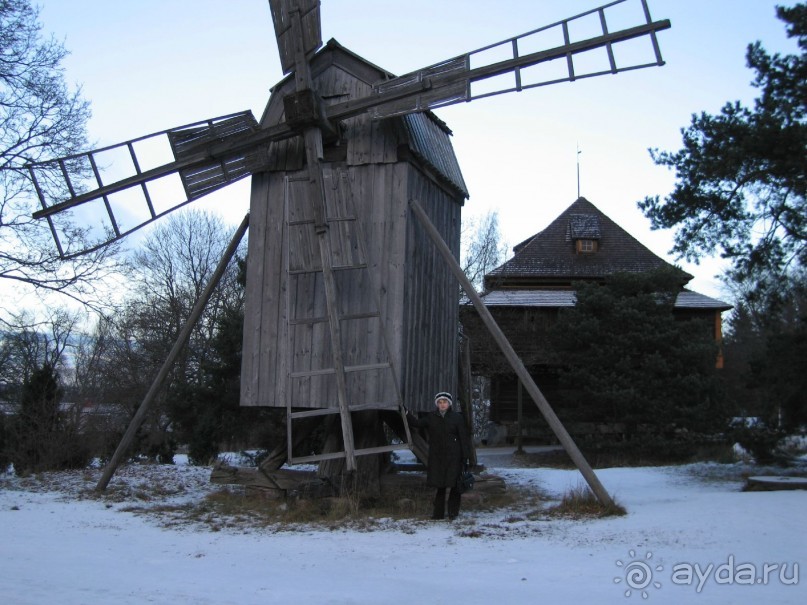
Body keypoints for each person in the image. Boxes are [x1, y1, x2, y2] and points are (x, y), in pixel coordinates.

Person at [407, 392, 471, 520]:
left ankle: (453, 513)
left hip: (454, 456)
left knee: (455, 485)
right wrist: (406, 413)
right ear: (437, 404)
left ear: (449, 404)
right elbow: (417, 423)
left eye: (445, 402)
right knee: (440, 486)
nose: (442, 404)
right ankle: (438, 514)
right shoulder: (432, 417)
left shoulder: (457, 418)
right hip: (438, 457)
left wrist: (465, 457)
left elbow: (463, 437)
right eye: (440, 402)